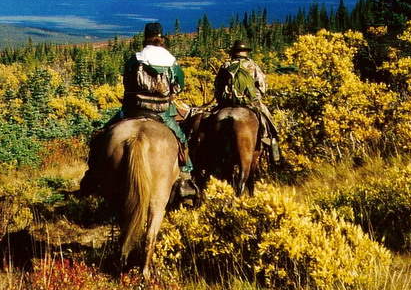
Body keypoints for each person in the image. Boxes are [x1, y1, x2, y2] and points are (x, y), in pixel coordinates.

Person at [80, 22, 198, 199]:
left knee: (102, 134)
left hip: (133, 110)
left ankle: (93, 175)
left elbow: (126, 81)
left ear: (145, 37)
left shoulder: (136, 58)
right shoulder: (171, 60)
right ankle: (185, 177)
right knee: (181, 139)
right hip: (162, 112)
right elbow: (179, 84)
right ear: (160, 35)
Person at [214, 40, 281, 163]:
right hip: (249, 102)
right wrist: (255, 97)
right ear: (246, 52)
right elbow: (262, 86)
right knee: (268, 121)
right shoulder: (252, 65)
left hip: (227, 103)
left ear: (234, 52)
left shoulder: (225, 65)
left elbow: (217, 86)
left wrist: (222, 99)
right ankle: (274, 149)